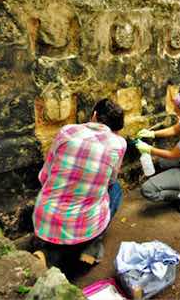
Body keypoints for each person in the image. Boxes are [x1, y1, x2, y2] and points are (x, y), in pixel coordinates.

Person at [32, 98, 126, 267]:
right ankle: (92, 245)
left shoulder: (67, 131)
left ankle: (49, 253)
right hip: (84, 226)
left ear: (95, 115)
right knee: (116, 190)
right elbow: (111, 180)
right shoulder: (118, 144)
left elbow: (44, 176)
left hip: (46, 218)